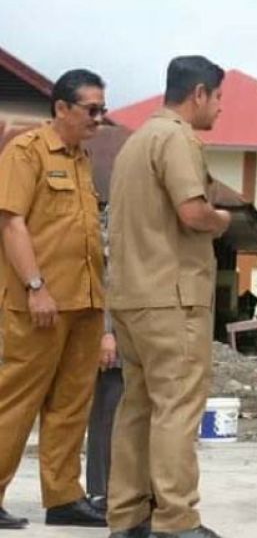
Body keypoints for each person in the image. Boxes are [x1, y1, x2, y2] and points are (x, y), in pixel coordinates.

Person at [106, 55, 232, 538]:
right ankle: (176, 521)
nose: (220, 109)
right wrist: (221, 220)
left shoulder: (135, 141)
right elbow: (193, 212)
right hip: (171, 298)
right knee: (178, 409)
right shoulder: (177, 138)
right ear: (198, 93)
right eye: (218, 97)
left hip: (132, 297)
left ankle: (128, 516)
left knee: (138, 408)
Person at [0, 69, 109, 530]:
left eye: (102, 110)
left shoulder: (82, 158)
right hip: (39, 304)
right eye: (92, 110)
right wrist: (36, 286)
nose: (99, 119)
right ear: (61, 108)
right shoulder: (27, 152)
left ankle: (64, 496)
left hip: (84, 303)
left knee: (71, 403)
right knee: (16, 400)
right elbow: (10, 222)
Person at [85, 203, 123, 514]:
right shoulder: (108, 234)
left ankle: (120, 490)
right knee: (105, 416)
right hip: (109, 336)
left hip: (133, 336)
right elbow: (105, 284)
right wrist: (105, 333)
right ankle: (100, 492)